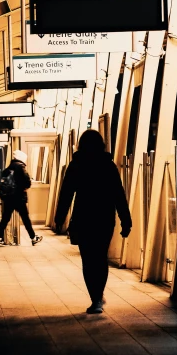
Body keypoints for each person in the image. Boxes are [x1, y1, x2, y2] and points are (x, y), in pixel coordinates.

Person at [54, 129, 131, 314]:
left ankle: (95, 298)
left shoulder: (76, 165)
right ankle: (98, 295)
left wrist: (59, 217)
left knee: (88, 260)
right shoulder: (108, 166)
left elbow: (66, 193)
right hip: (104, 218)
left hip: (83, 217)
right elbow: (118, 195)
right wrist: (126, 220)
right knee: (100, 258)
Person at [0, 149, 43, 247]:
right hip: (18, 198)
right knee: (25, 219)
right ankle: (33, 238)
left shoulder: (7, 169)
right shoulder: (21, 167)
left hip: (8, 198)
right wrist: (25, 187)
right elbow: (27, 182)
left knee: (5, 218)